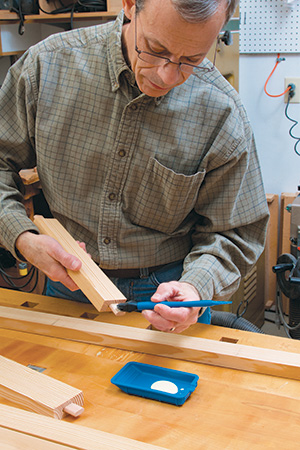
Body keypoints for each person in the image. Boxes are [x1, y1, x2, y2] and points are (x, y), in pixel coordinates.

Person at [0, 0, 269, 333]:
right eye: (156, 49)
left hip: (169, 292)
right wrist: (22, 237)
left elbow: (237, 232)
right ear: (129, 5)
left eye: (191, 59)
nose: (167, 75)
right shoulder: (45, 67)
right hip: (71, 282)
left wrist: (196, 287)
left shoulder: (221, 111)